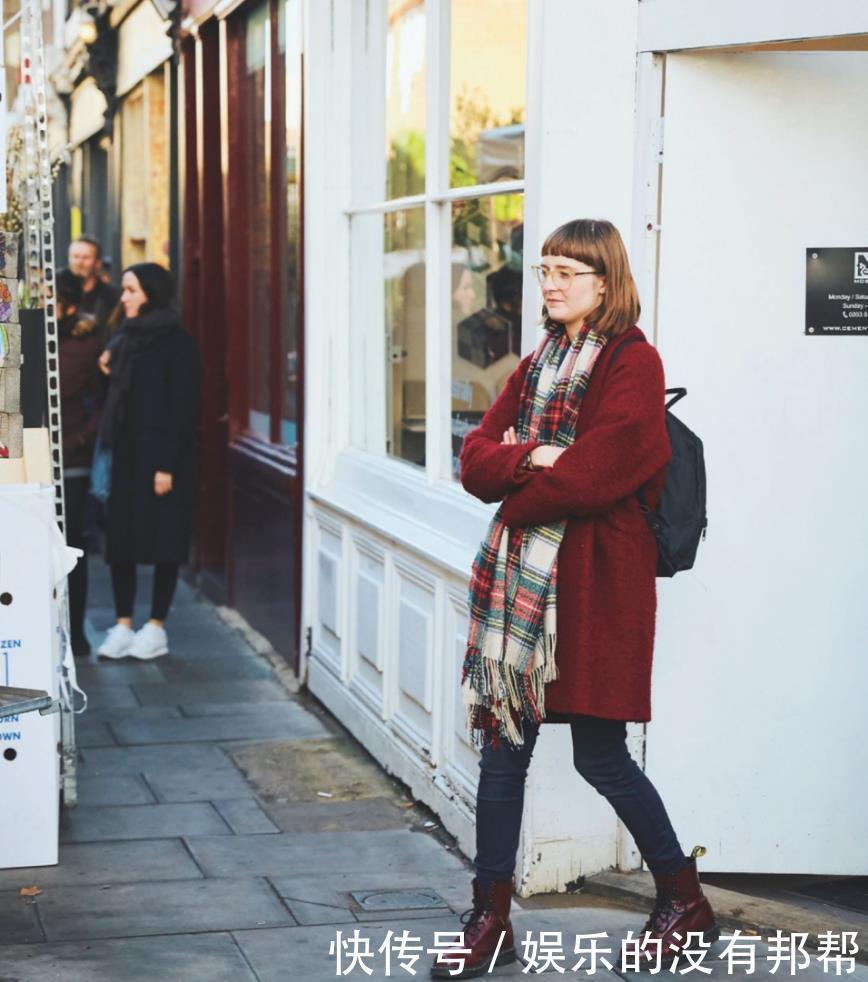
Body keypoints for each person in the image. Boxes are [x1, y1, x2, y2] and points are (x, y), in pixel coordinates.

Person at [431, 220, 718, 979]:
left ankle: (683, 898)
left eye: (566, 271)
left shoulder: (634, 362)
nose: (550, 283)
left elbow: (605, 469)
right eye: (545, 270)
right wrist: (536, 456)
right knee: (503, 752)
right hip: (526, 599)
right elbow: (474, 459)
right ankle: (490, 917)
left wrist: (519, 486)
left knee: (601, 754)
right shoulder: (536, 365)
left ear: (604, 280)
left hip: (594, 588)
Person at [95, 263, 200, 661]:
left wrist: (167, 466)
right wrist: (106, 372)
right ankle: (123, 624)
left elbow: (184, 409)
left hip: (161, 461)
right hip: (124, 455)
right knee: (121, 542)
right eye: (124, 289)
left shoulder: (178, 343)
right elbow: (118, 403)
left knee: (164, 543)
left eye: (131, 290)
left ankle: (156, 627)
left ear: (151, 293)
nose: (123, 297)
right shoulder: (123, 338)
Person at [57, 269, 103, 658]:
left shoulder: (86, 344)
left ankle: (76, 632)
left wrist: (80, 439)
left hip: (73, 458)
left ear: (69, 305)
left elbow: (102, 403)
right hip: (38, 457)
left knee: (73, 547)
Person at [68, 235, 121, 345]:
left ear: (97, 263)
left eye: (86, 257)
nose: (79, 262)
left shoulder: (112, 297)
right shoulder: (56, 292)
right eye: (75, 256)